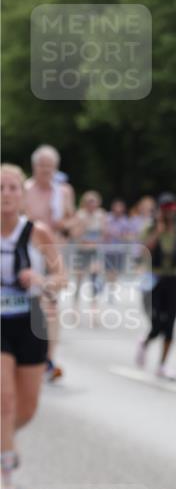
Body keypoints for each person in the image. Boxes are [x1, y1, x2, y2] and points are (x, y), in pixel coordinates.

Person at [1, 164, 65, 489]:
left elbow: (61, 278)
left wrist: (41, 280)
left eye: (12, 187)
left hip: (30, 321)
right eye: (0, 188)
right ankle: (6, 476)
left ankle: (4, 440)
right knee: (4, 399)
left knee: (26, 408)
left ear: (22, 195)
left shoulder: (37, 233)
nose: (6, 194)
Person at [23, 145, 76, 380]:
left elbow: (72, 221)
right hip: (29, 256)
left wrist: (63, 226)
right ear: (34, 166)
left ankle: (49, 358)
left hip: (54, 256)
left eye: (50, 166)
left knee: (52, 307)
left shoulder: (63, 192)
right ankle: (27, 352)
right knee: (32, 306)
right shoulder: (24, 190)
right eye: (42, 166)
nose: (46, 170)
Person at [135, 192, 176, 379]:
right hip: (153, 279)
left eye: (172, 208)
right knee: (157, 323)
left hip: (172, 279)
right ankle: (145, 342)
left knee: (170, 324)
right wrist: (158, 231)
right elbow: (143, 251)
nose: (169, 212)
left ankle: (162, 364)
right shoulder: (149, 229)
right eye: (165, 208)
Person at [70, 190, 107, 309]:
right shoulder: (80, 215)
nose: (91, 204)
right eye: (89, 201)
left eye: (93, 201)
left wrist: (96, 240)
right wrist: (83, 225)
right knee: (79, 278)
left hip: (94, 251)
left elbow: (104, 234)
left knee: (94, 277)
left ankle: (94, 305)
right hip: (81, 251)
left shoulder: (101, 215)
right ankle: (75, 304)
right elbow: (74, 234)